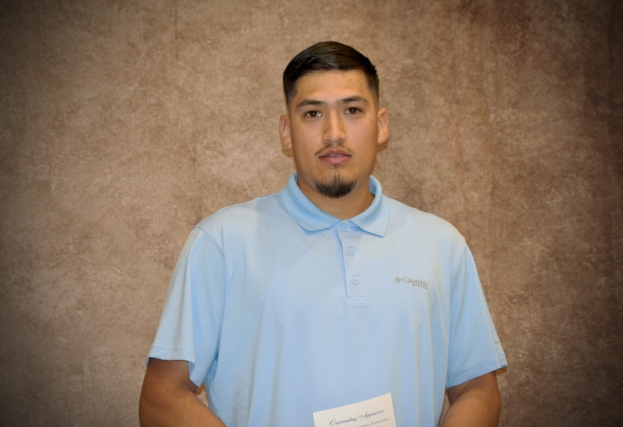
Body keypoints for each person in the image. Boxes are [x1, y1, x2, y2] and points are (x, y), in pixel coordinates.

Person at [139, 41, 507, 427]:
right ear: (286, 132)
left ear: (381, 125)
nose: (334, 133)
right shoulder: (222, 243)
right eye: (313, 113)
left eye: (352, 110)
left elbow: (477, 388)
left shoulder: (442, 246)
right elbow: (162, 395)